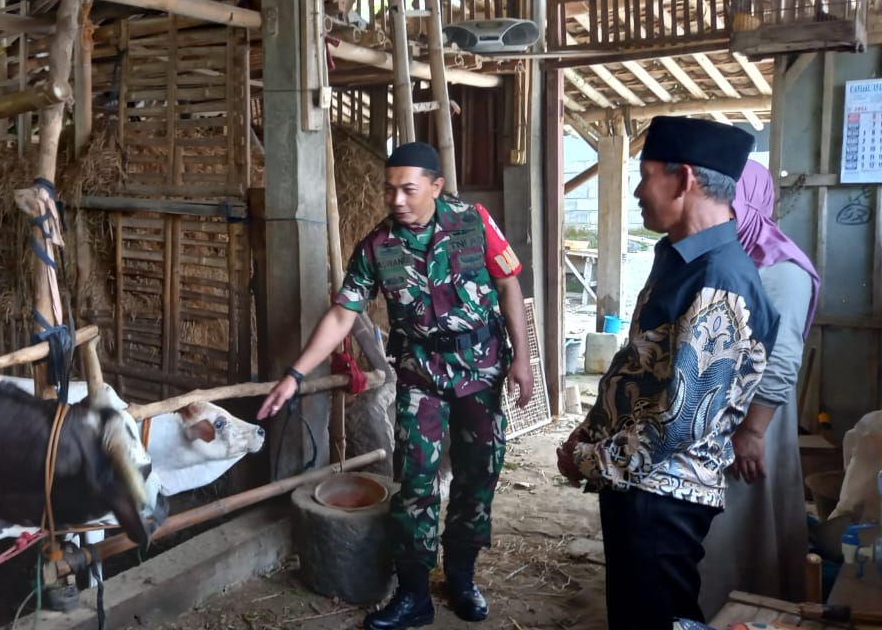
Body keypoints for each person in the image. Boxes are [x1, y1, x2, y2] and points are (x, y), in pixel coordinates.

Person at [258, 142, 535, 629]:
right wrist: (295, 374)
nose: (397, 200)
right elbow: (343, 314)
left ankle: (462, 577)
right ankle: (413, 595)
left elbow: (509, 283)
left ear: (435, 186)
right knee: (415, 482)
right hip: (420, 374)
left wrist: (523, 359)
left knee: (478, 473)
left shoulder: (474, 222)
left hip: (481, 369)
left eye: (408, 189)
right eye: (390, 190)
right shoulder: (377, 247)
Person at [555, 117, 780, 630]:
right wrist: (590, 431)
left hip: (663, 495)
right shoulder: (681, 260)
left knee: (655, 618)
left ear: (683, 179)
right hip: (639, 483)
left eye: (646, 175)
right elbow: (637, 366)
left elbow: (680, 421)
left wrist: (590, 460)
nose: (637, 190)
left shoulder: (719, 279)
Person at [697, 159, 821, 617]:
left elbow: (782, 359)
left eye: (730, 206)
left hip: (756, 417)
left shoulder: (782, 269)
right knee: (721, 531)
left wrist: (752, 432)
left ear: (750, 204)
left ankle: (753, 611)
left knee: (749, 523)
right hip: (720, 416)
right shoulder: (723, 258)